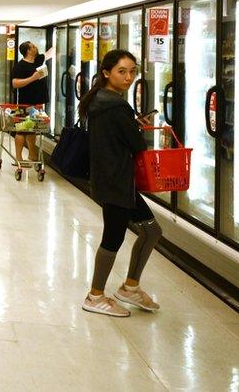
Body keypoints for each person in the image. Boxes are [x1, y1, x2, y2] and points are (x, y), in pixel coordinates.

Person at [80, 49, 161, 317]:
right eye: (122, 72)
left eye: (132, 72)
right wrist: (138, 128)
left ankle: (130, 287)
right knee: (113, 238)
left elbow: (115, 136)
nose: (128, 78)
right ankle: (95, 295)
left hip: (112, 178)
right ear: (106, 73)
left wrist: (131, 125)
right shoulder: (116, 105)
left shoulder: (100, 100)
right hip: (116, 180)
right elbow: (137, 144)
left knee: (151, 230)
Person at [10, 41, 48, 161]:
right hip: (25, 104)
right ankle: (19, 157)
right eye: (33, 46)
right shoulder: (20, 66)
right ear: (28, 51)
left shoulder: (37, 61)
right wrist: (32, 78)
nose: (35, 47)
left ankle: (32, 154)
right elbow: (15, 83)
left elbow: (49, 53)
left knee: (33, 130)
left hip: (37, 104)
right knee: (22, 130)